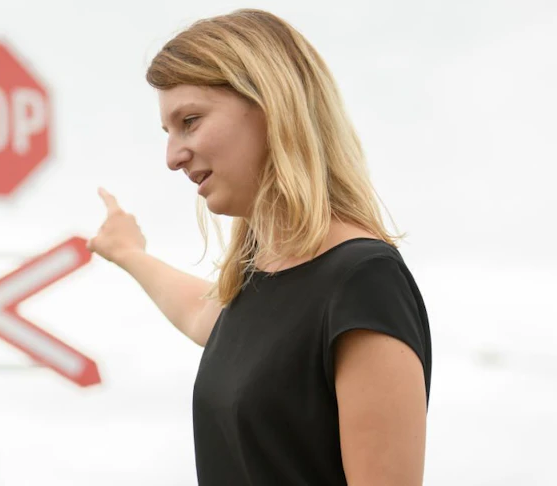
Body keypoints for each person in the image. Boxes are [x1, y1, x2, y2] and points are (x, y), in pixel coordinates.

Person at [86, 9, 432, 486]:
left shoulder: (363, 282)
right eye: (168, 133)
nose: (172, 157)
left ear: (270, 105)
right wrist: (128, 253)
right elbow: (200, 314)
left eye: (190, 120)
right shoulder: (257, 290)